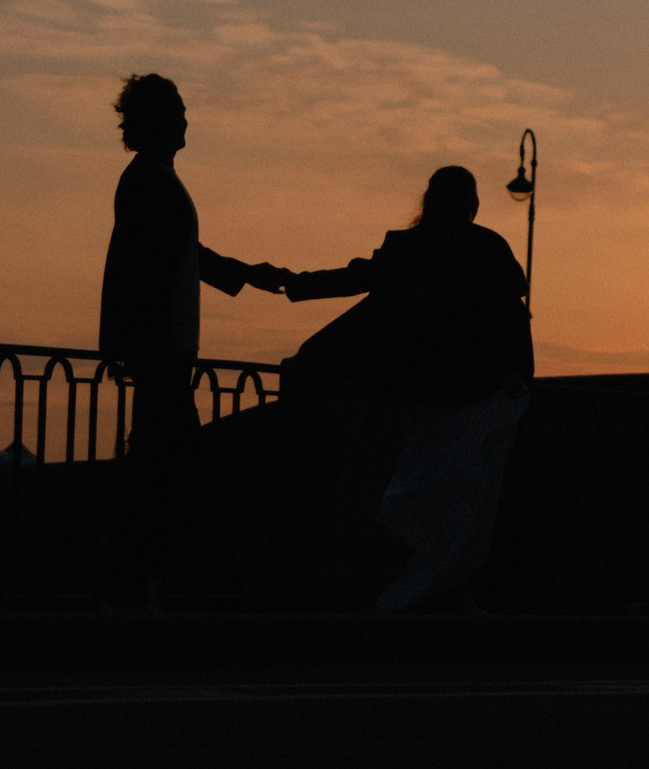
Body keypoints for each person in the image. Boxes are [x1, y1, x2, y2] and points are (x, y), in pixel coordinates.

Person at [281, 165, 534, 612]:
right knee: (458, 502)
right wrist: (520, 377)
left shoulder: (410, 248)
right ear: (472, 205)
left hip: (407, 395)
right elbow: (514, 320)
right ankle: (440, 587)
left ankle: (411, 586)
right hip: (466, 398)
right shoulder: (488, 249)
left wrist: (287, 283)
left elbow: (355, 281)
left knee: (407, 498)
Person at [95, 72, 283, 605]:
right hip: (163, 356)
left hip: (163, 355)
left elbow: (178, 257)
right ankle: (143, 584)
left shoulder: (149, 181)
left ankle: (139, 583)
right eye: (177, 110)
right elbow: (151, 274)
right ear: (159, 120)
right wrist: (150, 361)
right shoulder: (149, 184)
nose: (185, 119)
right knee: (166, 473)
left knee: (160, 470)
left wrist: (244, 273)